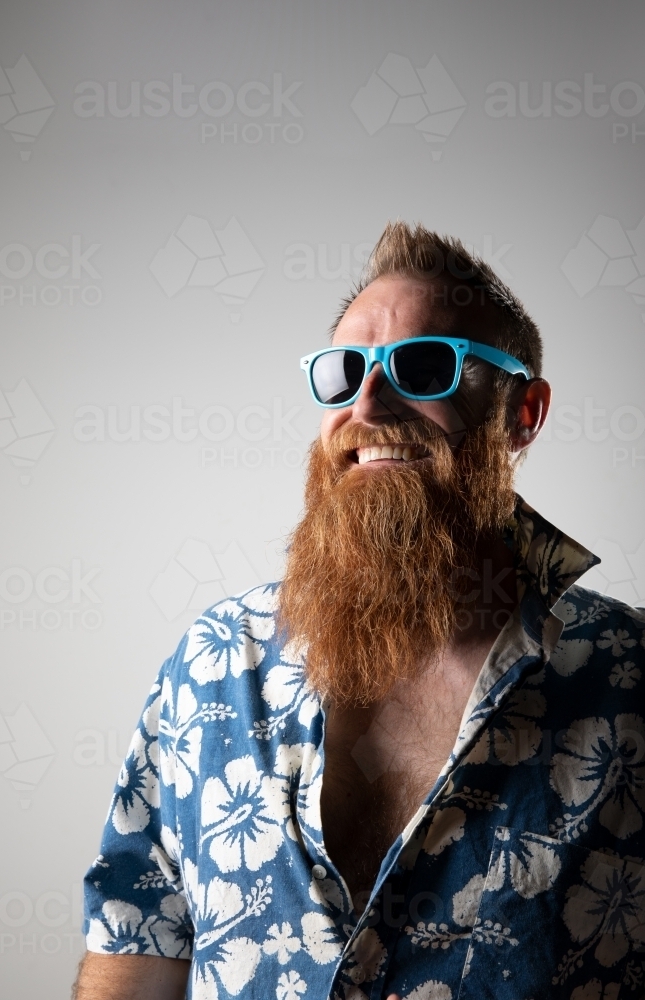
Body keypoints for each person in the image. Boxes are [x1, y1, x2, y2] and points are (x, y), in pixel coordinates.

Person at [73, 223, 645, 1000]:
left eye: (421, 366)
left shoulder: (627, 674)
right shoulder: (213, 661)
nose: (367, 405)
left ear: (523, 413)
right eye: (344, 372)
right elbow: (138, 943)